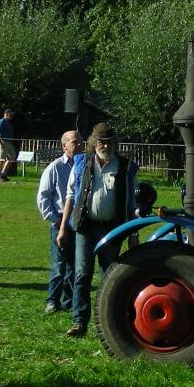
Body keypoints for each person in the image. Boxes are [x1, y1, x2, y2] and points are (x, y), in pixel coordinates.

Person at [56, 122, 137, 338]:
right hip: (86, 226)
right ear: (94, 142)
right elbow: (70, 197)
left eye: (109, 142)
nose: (105, 146)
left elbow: (131, 204)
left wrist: (133, 234)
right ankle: (79, 322)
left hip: (113, 228)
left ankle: (110, 323)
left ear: (114, 143)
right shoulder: (81, 162)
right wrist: (63, 229)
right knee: (82, 274)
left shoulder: (126, 167)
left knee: (110, 276)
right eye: (101, 141)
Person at [36, 130, 81, 314]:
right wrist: (55, 220)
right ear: (64, 146)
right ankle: (52, 300)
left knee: (75, 264)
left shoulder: (84, 166)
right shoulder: (55, 168)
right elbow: (43, 197)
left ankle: (69, 301)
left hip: (79, 221)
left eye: (81, 142)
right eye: (74, 142)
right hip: (60, 221)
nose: (79, 145)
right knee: (59, 264)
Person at [0, 109, 16, 181]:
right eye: (10, 114)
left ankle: (3, 174)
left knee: (12, 157)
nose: (11, 115)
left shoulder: (8, 123)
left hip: (9, 142)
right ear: (6, 114)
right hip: (3, 142)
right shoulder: (2, 121)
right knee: (1, 159)